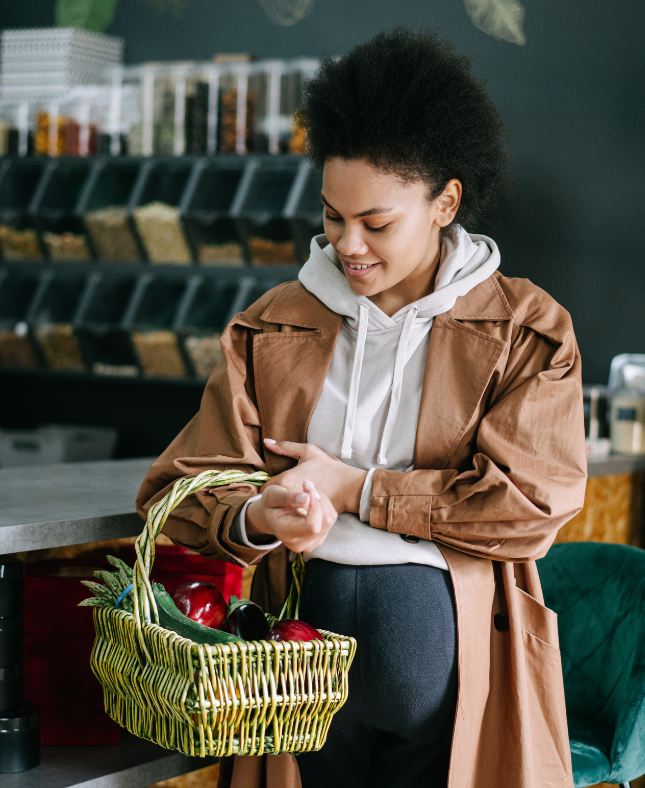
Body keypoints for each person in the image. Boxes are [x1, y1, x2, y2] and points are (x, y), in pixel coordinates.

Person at [137, 27, 587, 788]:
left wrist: (360, 490)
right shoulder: (273, 323)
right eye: (331, 215)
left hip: (445, 675)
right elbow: (177, 492)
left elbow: (528, 507)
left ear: (446, 200)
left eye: (376, 223)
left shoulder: (527, 331)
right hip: (295, 679)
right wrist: (259, 515)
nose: (349, 244)